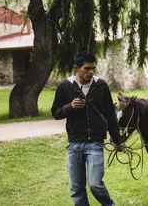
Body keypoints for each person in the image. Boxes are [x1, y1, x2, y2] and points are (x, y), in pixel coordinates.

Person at [51, 51, 127, 206]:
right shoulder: (65, 86)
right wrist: (70, 107)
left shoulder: (101, 86)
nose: (91, 72)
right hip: (74, 144)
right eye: (86, 68)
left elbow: (111, 116)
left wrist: (118, 140)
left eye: (93, 68)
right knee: (77, 188)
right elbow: (56, 113)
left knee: (95, 185)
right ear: (76, 68)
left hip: (95, 143)